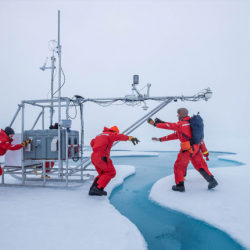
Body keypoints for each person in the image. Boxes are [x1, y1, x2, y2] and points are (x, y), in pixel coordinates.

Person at [148, 108, 218, 192]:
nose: (177, 116)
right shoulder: (191, 123)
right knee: (199, 165)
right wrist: (160, 139)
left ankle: (179, 185)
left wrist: (155, 124)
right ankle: (212, 181)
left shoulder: (182, 124)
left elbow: (169, 126)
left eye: (177, 114)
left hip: (188, 149)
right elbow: (175, 135)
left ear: (181, 114)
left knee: (178, 166)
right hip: (196, 148)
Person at [89, 126, 140, 196]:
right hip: (101, 156)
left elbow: (92, 143)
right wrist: (130, 138)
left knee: (103, 173)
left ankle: (93, 189)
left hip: (94, 156)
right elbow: (119, 136)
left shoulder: (99, 135)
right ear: (114, 131)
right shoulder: (110, 134)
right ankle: (97, 188)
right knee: (111, 172)